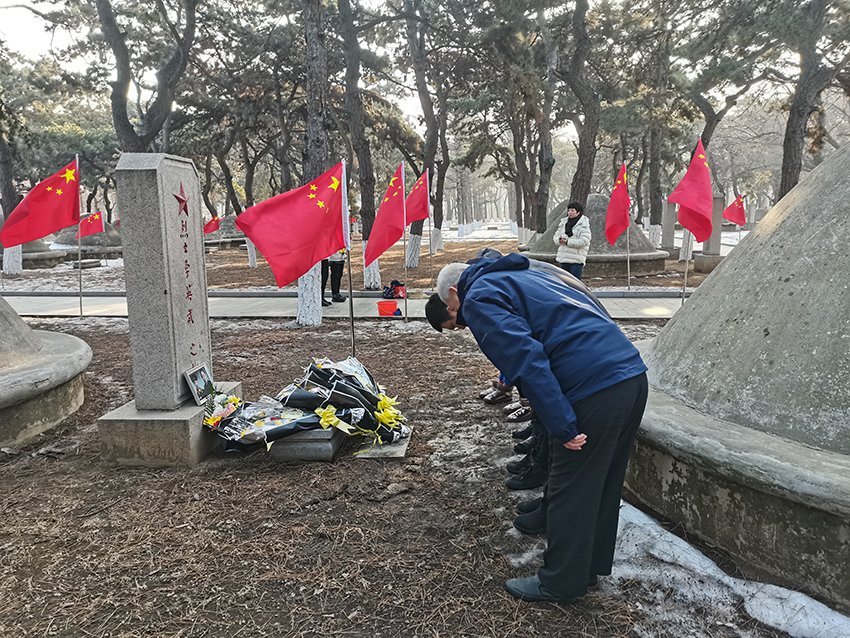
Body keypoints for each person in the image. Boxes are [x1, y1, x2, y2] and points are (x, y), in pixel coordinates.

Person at [427, 253, 648, 604]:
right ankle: (585, 569)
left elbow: (526, 360)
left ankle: (560, 581)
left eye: (450, 305)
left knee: (569, 487)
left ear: (454, 292)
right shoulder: (521, 273)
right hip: (629, 374)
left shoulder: (480, 296)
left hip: (593, 387)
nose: (459, 318)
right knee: (600, 484)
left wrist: (562, 425)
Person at [553, 201, 591, 279]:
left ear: (578, 212)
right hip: (564, 258)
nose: (570, 212)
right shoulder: (564, 223)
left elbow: (584, 241)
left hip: (576, 260)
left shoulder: (583, 226)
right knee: (564, 283)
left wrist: (567, 242)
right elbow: (556, 236)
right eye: (569, 210)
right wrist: (559, 240)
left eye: (572, 210)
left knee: (575, 284)